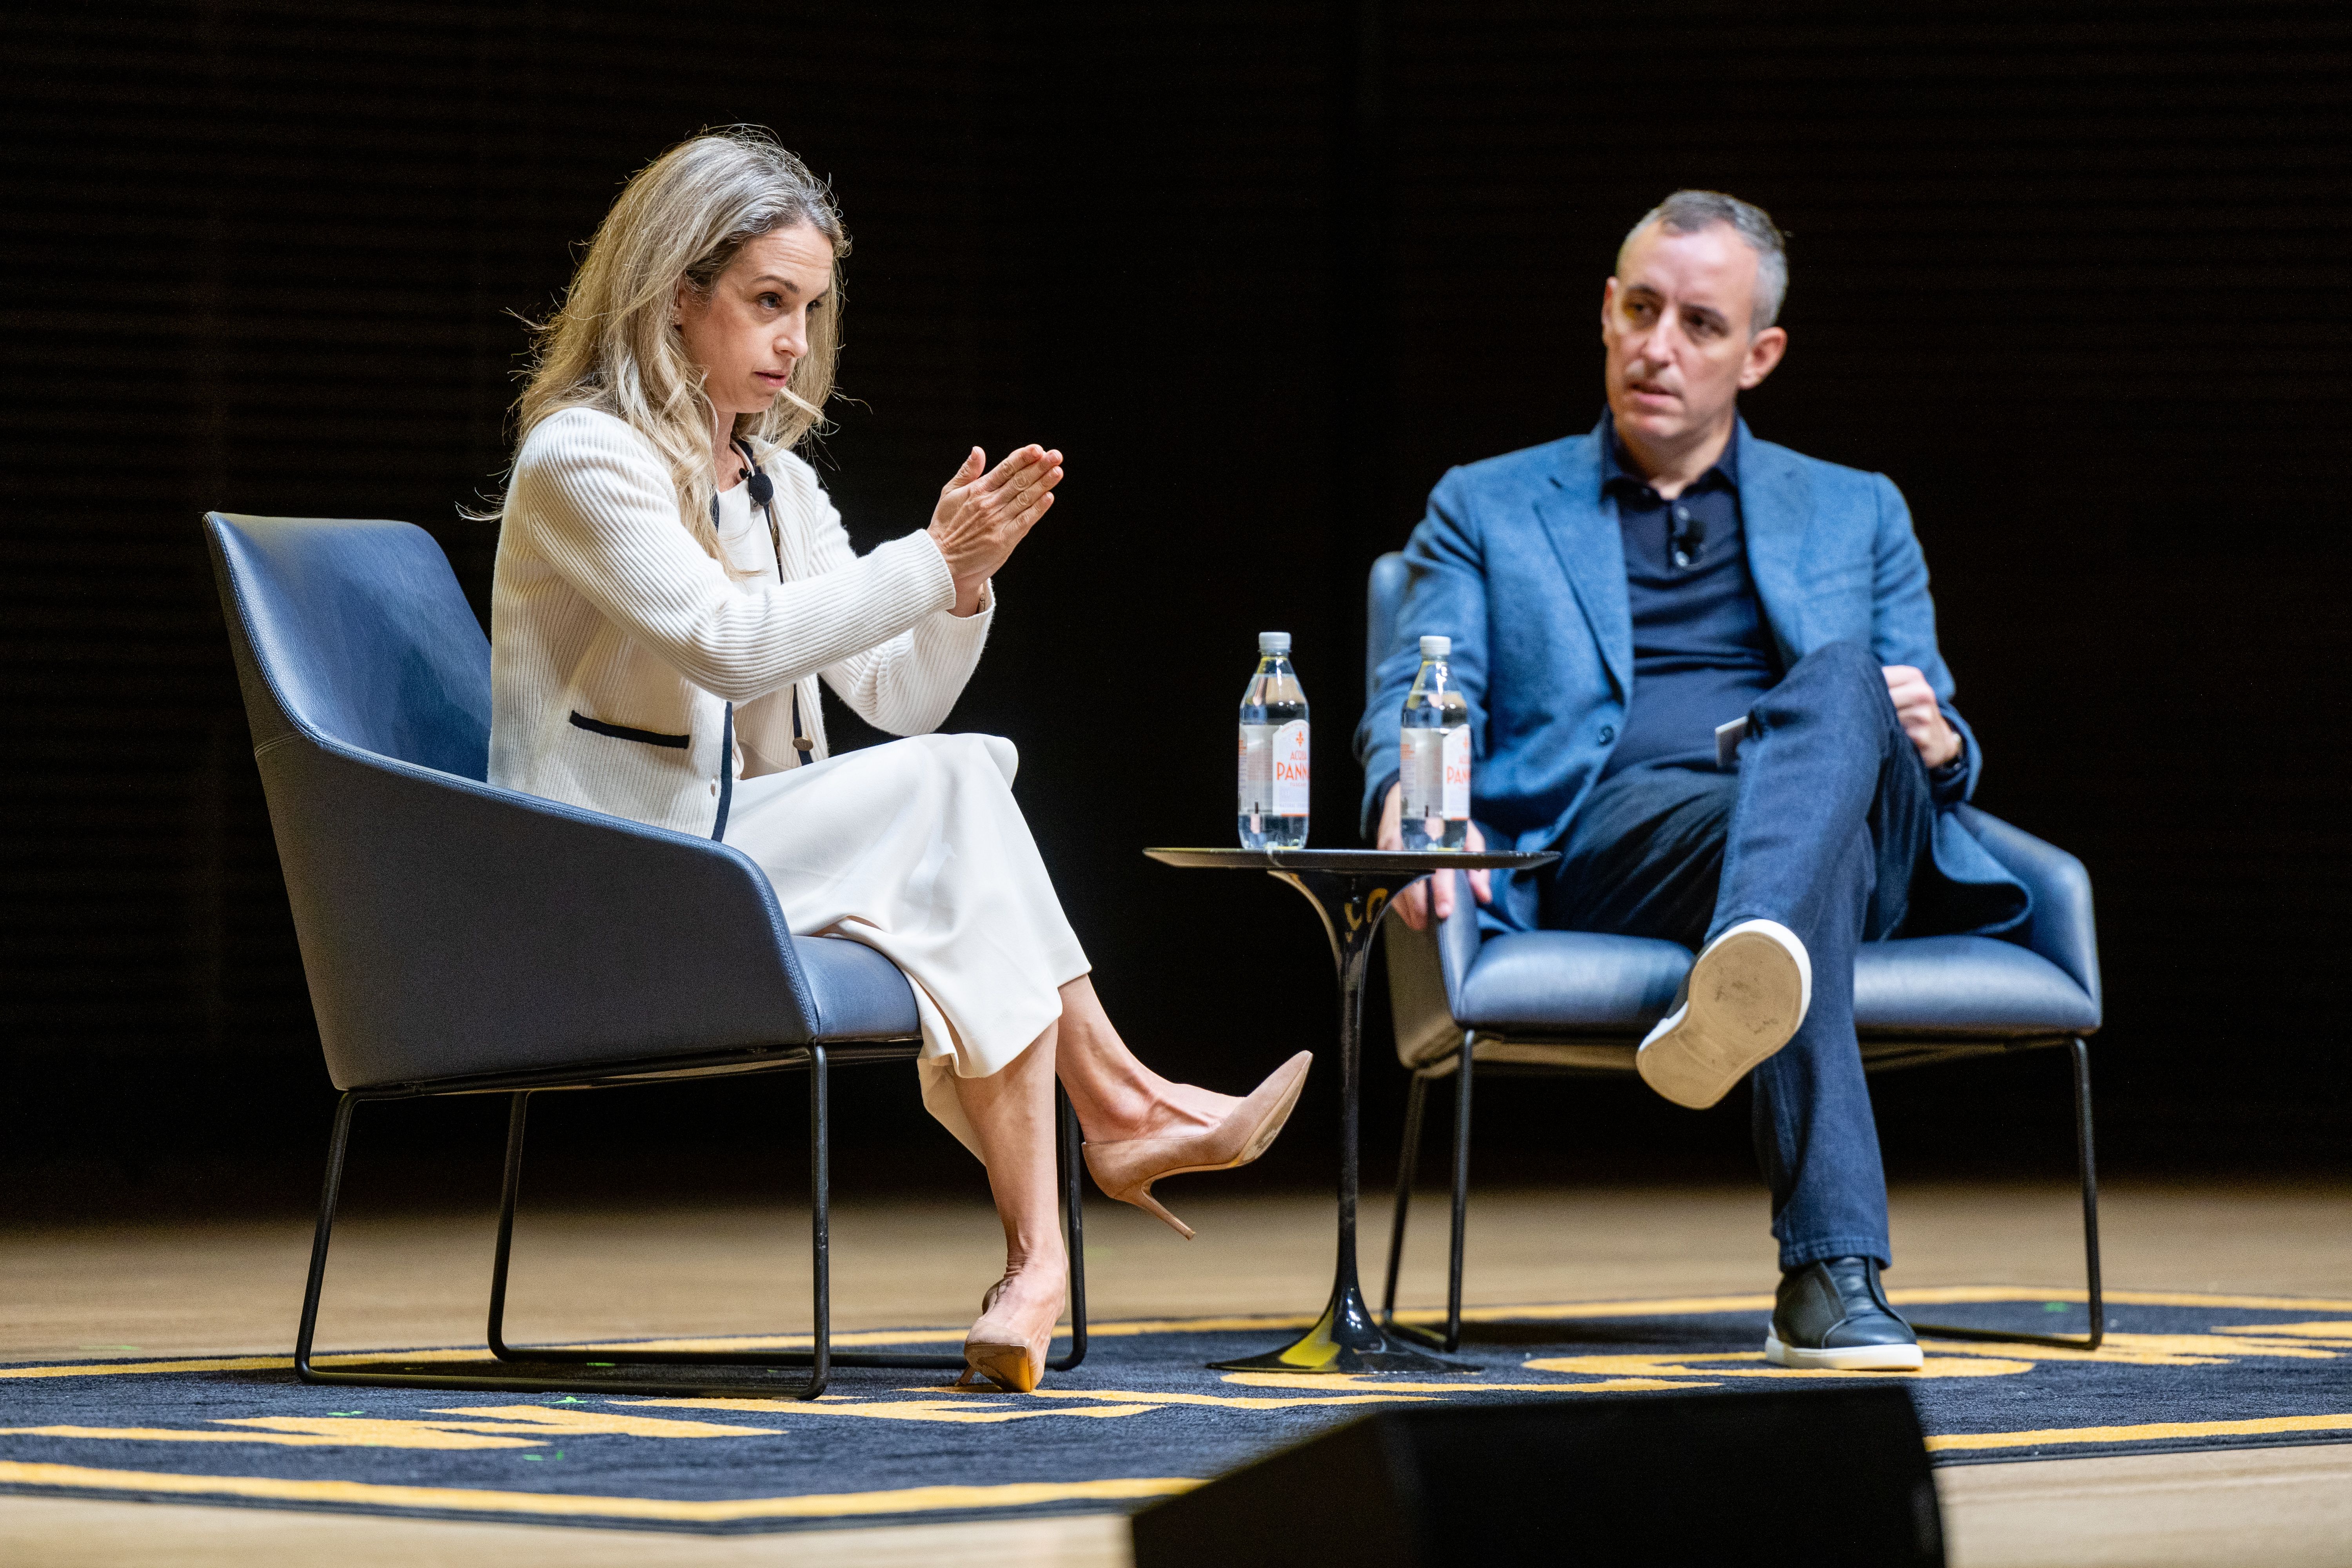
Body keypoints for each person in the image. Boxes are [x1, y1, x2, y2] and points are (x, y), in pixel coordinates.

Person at [487, 128, 1309, 1394]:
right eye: (769, 304)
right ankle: (1126, 1116)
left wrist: (962, 585)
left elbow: (896, 697)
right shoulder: (583, 458)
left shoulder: (775, 482)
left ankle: (1039, 1265)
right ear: (673, 296)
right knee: (963, 787)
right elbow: (728, 645)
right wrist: (923, 561)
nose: (795, 344)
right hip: (612, 871)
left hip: (742, 851)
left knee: (959, 788)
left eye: (811, 312)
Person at [1356, 190, 2029, 1371]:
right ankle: (1828, 1274)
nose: (1660, 346)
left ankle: (1752, 957)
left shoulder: (1859, 508)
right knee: (1801, 864)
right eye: (1641, 308)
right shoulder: (1487, 502)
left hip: (1858, 828)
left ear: (1759, 354)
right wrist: (1404, 789)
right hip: (1621, 839)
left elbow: (1940, 718)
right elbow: (1425, 681)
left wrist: (1937, 737)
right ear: (1606, 313)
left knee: (1840, 681)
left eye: (1701, 325)